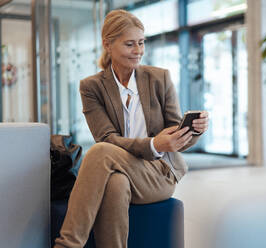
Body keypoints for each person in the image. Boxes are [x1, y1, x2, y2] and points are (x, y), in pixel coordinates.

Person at [54, 9, 209, 248]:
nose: (138, 51)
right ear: (108, 44)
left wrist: (193, 131)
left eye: (141, 43)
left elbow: (176, 137)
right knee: (115, 183)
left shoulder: (159, 79)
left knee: (98, 152)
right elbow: (106, 137)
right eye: (129, 44)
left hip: (159, 173)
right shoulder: (91, 87)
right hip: (122, 170)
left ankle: (67, 245)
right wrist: (152, 143)